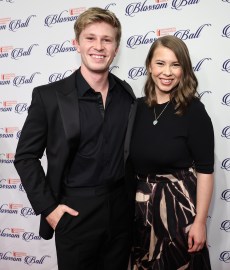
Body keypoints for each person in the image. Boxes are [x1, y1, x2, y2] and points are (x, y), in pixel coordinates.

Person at [14, 7, 137, 270]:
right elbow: (25, 157)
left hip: (121, 211)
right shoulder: (49, 97)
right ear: (77, 44)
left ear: (116, 48)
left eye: (107, 40)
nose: (99, 46)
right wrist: (50, 210)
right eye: (90, 38)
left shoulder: (126, 94)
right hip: (74, 212)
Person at [130, 35, 214, 269]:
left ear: (183, 70)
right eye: (160, 63)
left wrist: (200, 222)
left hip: (180, 213)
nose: (167, 72)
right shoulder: (134, 108)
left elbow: (205, 171)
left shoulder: (193, 110)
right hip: (141, 211)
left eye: (175, 65)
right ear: (149, 65)